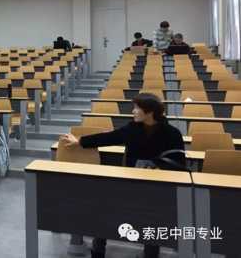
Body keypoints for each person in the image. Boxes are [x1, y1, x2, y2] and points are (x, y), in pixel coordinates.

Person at [61, 93, 186, 258]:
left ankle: (150, 254)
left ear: (150, 112)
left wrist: (159, 168)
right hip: (130, 184)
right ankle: (98, 250)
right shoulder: (132, 128)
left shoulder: (172, 133)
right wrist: (80, 141)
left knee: (152, 216)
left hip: (158, 188)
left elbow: (179, 162)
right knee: (103, 206)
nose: (133, 111)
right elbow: (108, 137)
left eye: (137, 108)